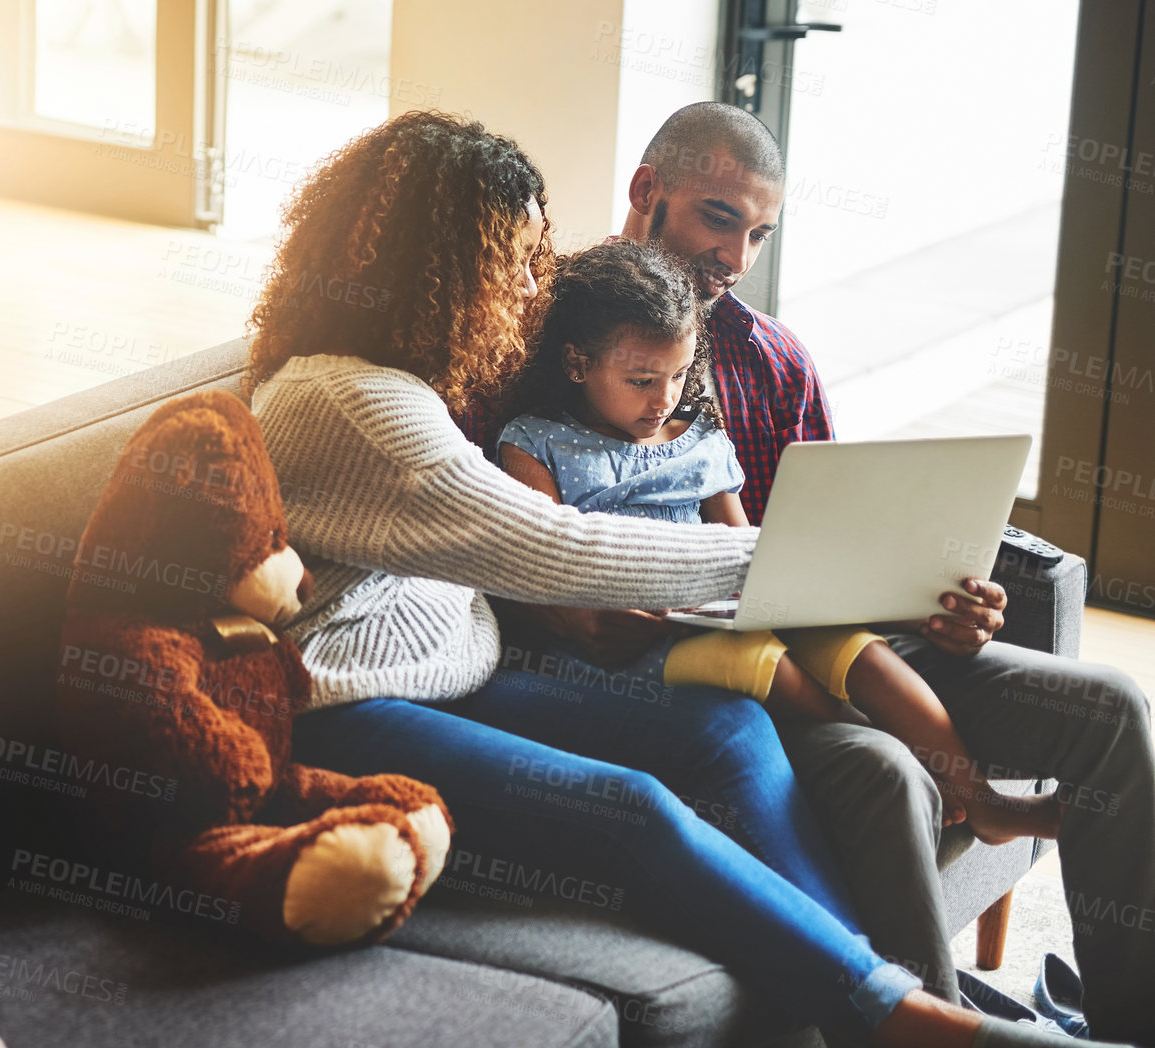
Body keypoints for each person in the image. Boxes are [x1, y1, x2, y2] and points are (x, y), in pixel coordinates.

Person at [249, 109, 1097, 1047]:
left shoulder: (411, 383)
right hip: (350, 704)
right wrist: (820, 564)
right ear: (441, 265)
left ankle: (875, 992)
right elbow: (555, 547)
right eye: (515, 259)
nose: (532, 285)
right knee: (637, 806)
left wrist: (878, 579)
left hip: (462, 677)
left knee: (730, 727)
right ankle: (892, 1013)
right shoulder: (346, 400)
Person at [507, 99, 1153, 1043]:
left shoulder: (776, 364)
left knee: (1115, 709)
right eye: (717, 218)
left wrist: (941, 601)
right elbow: (541, 556)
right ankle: (939, 1021)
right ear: (647, 193)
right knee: (888, 766)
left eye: (759, 233)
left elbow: (835, 548)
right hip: (733, 668)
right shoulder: (556, 344)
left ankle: (1132, 1023)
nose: (735, 257)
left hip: (850, 636)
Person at [494, 238, 1062, 845]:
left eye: (679, 374)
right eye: (639, 380)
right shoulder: (533, 442)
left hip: (714, 611)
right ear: (578, 364)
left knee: (856, 647)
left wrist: (800, 598)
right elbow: (541, 561)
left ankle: (984, 801)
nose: (662, 399)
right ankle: (899, 754)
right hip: (629, 637)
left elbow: (747, 554)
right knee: (754, 660)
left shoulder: (699, 438)